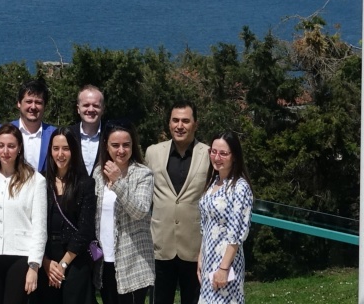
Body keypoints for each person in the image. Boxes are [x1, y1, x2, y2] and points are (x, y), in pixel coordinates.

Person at [0, 124, 46, 304]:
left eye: (11, 146)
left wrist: (34, 266)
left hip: (21, 257)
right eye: (1, 145)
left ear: (19, 148)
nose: (6, 151)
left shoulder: (35, 181)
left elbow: (39, 227)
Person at [145, 102, 211, 304]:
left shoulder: (209, 154)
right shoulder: (153, 153)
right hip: (160, 246)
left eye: (185, 121)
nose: (179, 125)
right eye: (175, 120)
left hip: (195, 248)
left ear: (195, 124)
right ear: (169, 123)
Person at [93, 123, 154, 304]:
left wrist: (118, 181)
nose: (121, 150)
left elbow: (140, 210)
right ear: (106, 145)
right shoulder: (98, 173)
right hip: (104, 261)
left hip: (133, 262)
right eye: (115, 145)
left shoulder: (143, 174)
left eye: (126, 145)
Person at [38, 130, 96, 304]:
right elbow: (33, 224)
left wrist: (63, 265)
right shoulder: (40, 182)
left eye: (66, 148)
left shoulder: (85, 183)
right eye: (56, 148)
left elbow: (85, 228)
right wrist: (46, 262)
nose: (60, 154)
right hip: (46, 258)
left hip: (75, 260)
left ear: (74, 151)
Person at [197, 131, 253, 304]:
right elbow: (205, 225)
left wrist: (223, 268)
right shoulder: (213, 183)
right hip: (208, 260)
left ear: (234, 156)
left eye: (223, 153)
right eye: (213, 152)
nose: (217, 157)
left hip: (226, 264)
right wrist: (200, 257)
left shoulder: (239, 187)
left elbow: (236, 233)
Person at [11, 79, 57, 171]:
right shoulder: (5, 131)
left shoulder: (55, 134)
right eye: (29, 101)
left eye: (38, 102)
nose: (33, 107)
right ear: (19, 103)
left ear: (45, 106)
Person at [68, 86, 105, 174]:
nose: (91, 109)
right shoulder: (68, 135)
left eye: (96, 105)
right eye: (86, 105)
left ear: (103, 109)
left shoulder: (111, 135)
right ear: (78, 109)